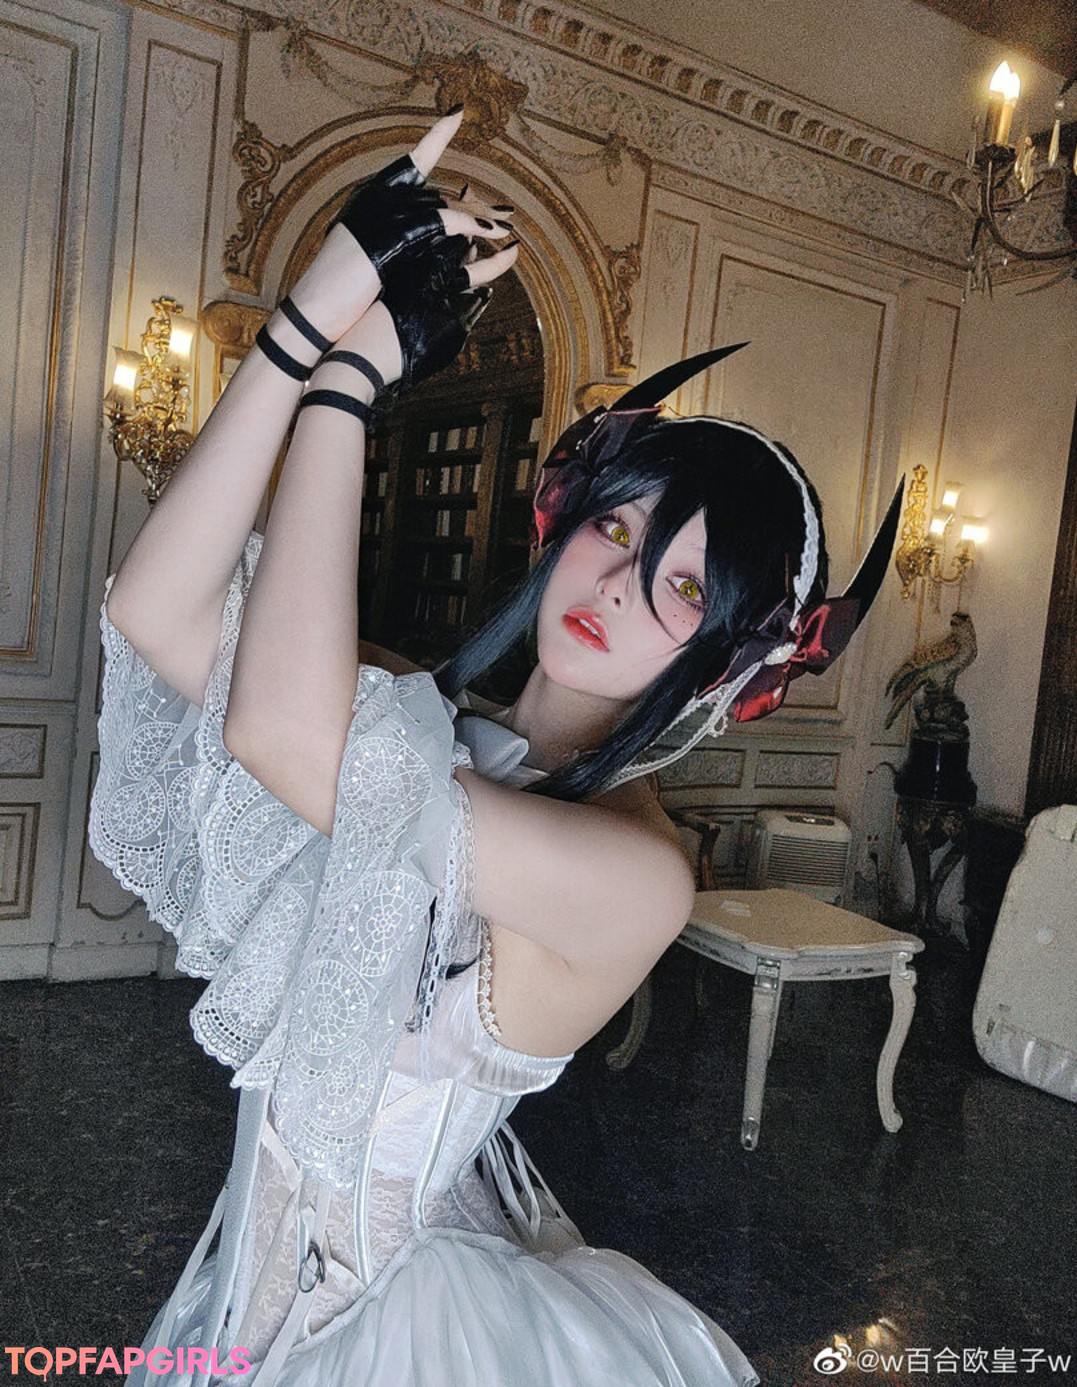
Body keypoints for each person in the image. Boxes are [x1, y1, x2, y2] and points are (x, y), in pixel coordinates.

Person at [90, 110, 897, 1387]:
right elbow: (155, 612)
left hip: (384, 1330)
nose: (619, 583)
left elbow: (279, 731)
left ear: (726, 663)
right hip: (254, 1291)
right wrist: (307, 322)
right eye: (620, 529)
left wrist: (350, 386)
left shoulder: (637, 874)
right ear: (567, 520)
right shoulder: (419, 722)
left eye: (686, 588)